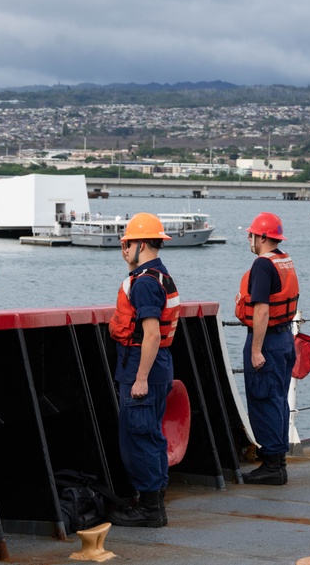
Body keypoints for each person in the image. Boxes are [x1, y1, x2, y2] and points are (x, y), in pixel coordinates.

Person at [107, 213, 179, 528]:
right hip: (158, 365)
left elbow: (150, 334)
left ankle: (149, 509)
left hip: (142, 366)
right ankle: (153, 503)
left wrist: (140, 379)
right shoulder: (162, 276)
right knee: (151, 435)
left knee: (140, 437)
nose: (123, 250)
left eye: (126, 244)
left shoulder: (145, 283)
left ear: (140, 245)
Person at [235, 212, 299, 485]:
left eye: (251, 235)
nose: (249, 239)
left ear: (261, 237)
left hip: (268, 341)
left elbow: (261, 310)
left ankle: (272, 465)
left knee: (264, 400)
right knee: (278, 400)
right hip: (285, 338)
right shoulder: (284, 260)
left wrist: (256, 350)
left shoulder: (262, 264)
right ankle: (278, 461)